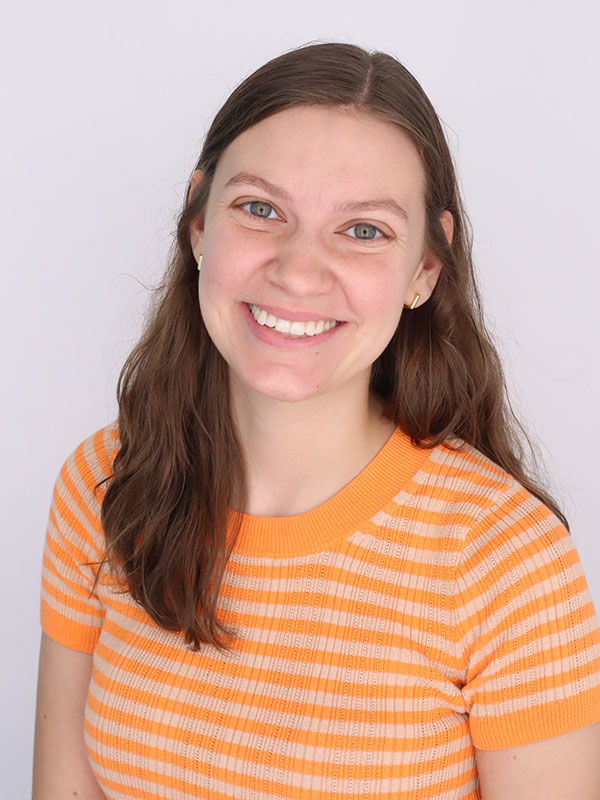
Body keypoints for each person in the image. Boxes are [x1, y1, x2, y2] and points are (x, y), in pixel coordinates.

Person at [33, 42, 600, 800]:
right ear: (200, 224)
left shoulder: (508, 563)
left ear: (425, 270)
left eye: (364, 230)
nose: (299, 270)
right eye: (260, 209)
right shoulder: (102, 485)